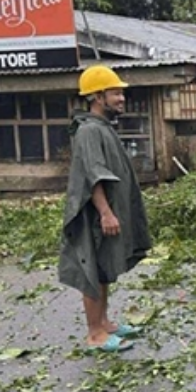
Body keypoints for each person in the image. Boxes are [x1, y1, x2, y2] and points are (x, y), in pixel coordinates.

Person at [58, 66, 151, 352]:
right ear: (98, 97)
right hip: (96, 214)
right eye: (115, 93)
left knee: (105, 265)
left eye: (121, 93)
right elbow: (93, 174)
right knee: (94, 268)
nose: (122, 98)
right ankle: (95, 333)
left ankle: (105, 322)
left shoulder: (102, 127)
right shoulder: (88, 131)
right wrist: (106, 212)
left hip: (106, 211)